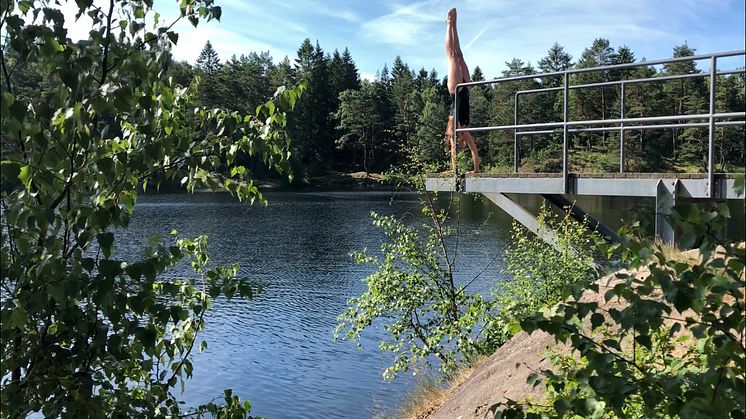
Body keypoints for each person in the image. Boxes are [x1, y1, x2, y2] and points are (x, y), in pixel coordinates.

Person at [444, 7, 479, 173]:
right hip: (466, 88)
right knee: (460, 56)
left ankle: (449, 25)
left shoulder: (454, 130)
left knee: (452, 55)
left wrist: (454, 170)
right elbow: (474, 150)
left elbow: (453, 153)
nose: (459, 143)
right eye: (460, 144)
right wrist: (476, 170)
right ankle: (454, 24)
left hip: (456, 90)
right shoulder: (465, 132)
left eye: (457, 143)